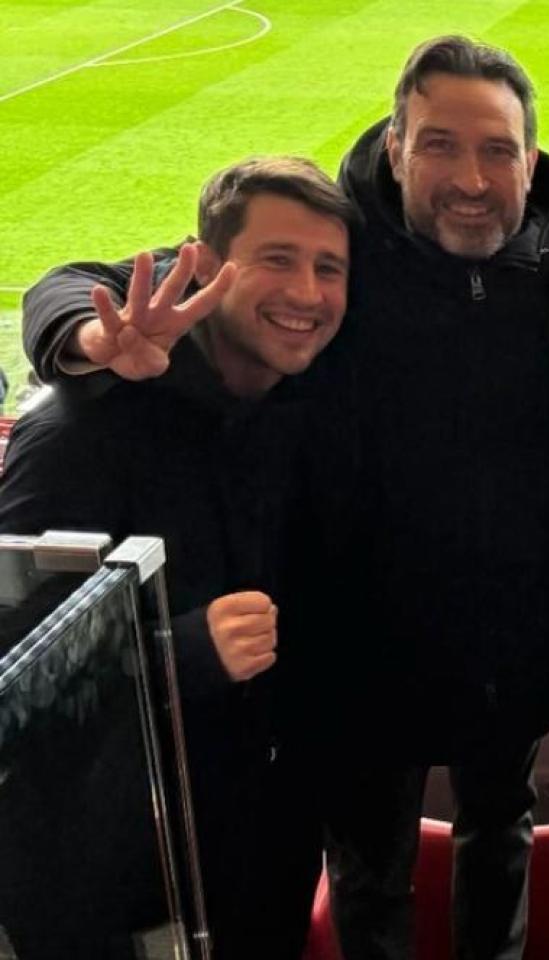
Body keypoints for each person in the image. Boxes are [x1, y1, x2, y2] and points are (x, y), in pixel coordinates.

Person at [16, 35, 549, 960]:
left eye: (497, 150)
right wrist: (85, 337)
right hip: (355, 657)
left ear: (531, 157)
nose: (472, 179)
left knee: (499, 835)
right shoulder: (337, 240)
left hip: (518, 646)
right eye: (439, 145)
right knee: (369, 870)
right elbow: (90, 287)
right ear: (395, 146)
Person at [0, 157, 358, 959]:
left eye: (328, 268)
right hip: (109, 881)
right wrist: (176, 648)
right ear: (201, 267)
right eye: (277, 259)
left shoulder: (299, 403)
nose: (306, 292)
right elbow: (12, 678)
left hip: (261, 846)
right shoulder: (78, 430)